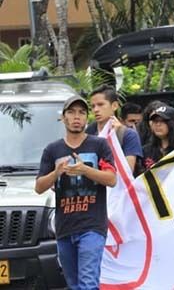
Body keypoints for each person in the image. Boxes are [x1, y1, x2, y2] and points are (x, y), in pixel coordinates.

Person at [35, 95, 117, 290]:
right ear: (63, 118)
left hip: (92, 226)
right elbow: (39, 187)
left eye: (81, 112)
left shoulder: (99, 145)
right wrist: (56, 172)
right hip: (64, 227)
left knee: (88, 282)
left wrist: (85, 170)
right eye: (71, 112)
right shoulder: (52, 150)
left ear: (87, 118)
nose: (76, 117)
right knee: (74, 284)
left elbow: (112, 179)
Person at [87, 85, 142, 173]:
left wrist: (112, 138)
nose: (96, 110)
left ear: (114, 106)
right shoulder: (89, 132)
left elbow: (127, 171)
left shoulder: (128, 134)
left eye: (100, 104)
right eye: (93, 106)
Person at [142, 105, 174, 170]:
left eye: (163, 121)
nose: (158, 124)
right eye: (155, 121)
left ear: (173, 124)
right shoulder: (146, 151)